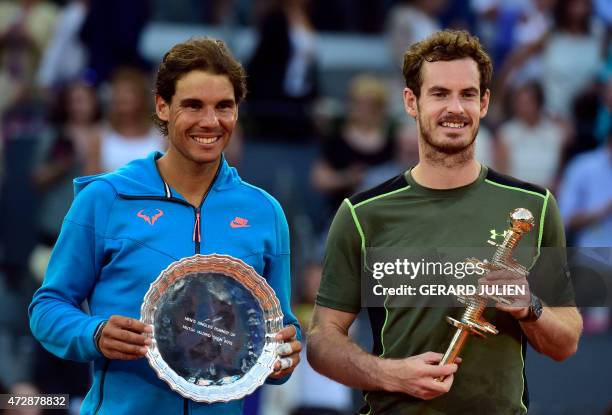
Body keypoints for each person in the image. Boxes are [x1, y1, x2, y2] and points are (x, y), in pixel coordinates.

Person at [307, 30, 582, 414]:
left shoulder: (534, 205)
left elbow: (566, 341)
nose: (455, 108)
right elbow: (322, 340)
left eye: (467, 94)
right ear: (411, 102)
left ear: (484, 103)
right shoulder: (362, 213)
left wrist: (529, 306)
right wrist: (389, 374)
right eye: (439, 94)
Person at [29, 38, 301, 415]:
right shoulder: (105, 198)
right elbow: (48, 307)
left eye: (224, 106)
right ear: (162, 106)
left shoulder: (265, 211)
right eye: (193, 106)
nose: (210, 121)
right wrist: (94, 334)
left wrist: (283, 355)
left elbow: (279, 326)